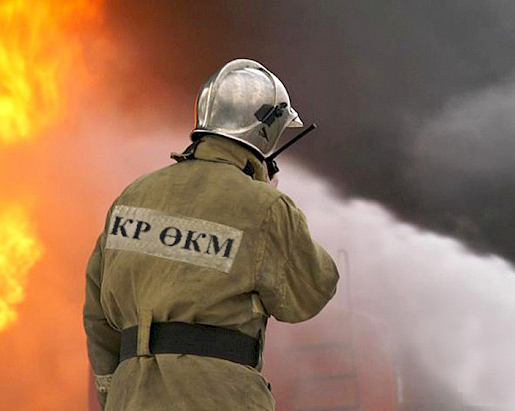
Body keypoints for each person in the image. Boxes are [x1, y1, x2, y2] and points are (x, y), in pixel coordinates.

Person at [84, 58, 339, 410]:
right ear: (264, 133)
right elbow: (310, 292)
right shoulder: (264, 207)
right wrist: (272, 201)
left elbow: (98, 316)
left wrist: (115, 395)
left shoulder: (131, 197)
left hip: (131, 398)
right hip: (219, 397)